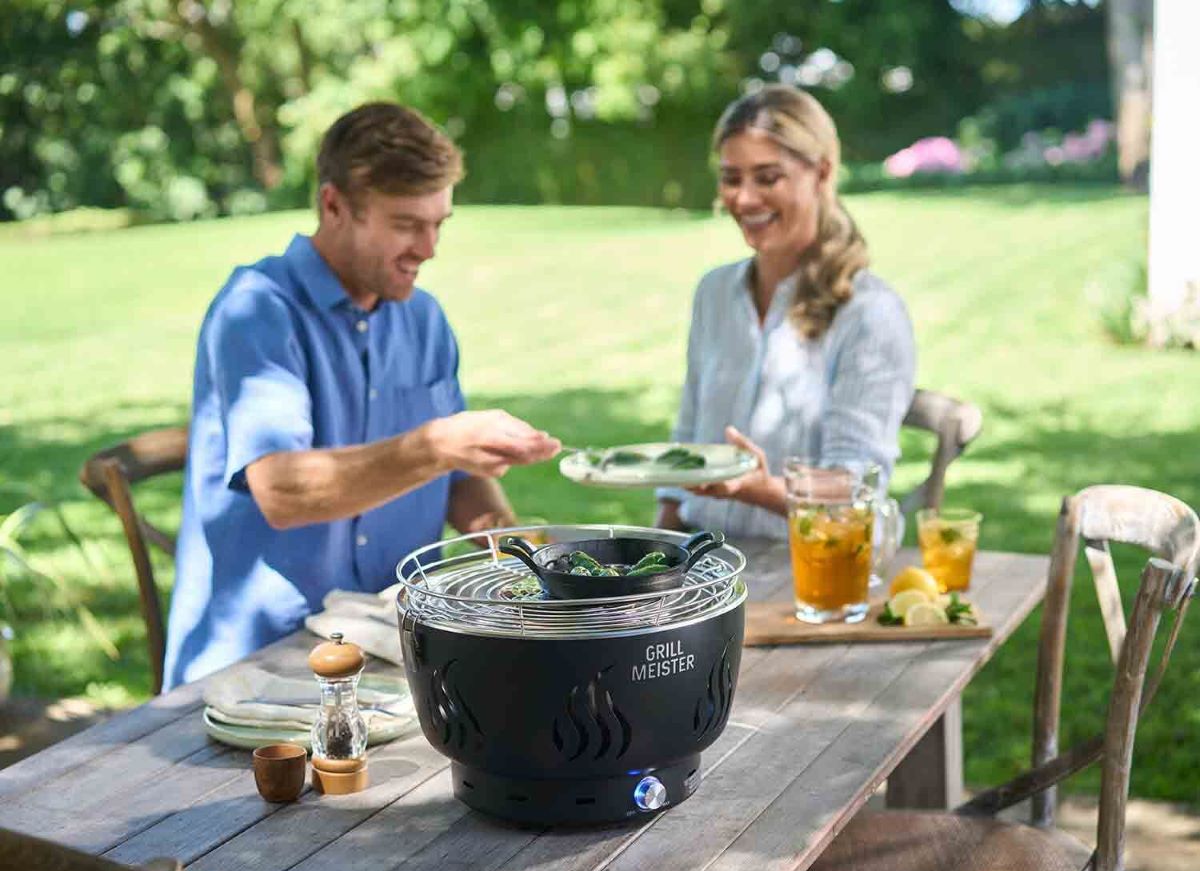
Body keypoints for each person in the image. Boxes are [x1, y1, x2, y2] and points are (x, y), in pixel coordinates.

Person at [164, 103, 560, 689]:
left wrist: (520, 567)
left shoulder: (423, 319)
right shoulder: (257, 310)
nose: (428, 248)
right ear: (334, 206)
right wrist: (436, 444)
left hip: (392, 656)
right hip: (261, 672)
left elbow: (457, 478)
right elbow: (279, 489)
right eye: (406, 224)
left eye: (439, 224)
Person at [656, 85, 916, 540]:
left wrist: (758, 489)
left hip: (805, 570)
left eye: (768, 177)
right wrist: (652, 559)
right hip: (700, 561)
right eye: (731, 178)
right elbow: (688, 440)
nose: (744, 199)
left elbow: (856, 489)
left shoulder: (869, 313)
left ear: (821, 173)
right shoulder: (714, 293)